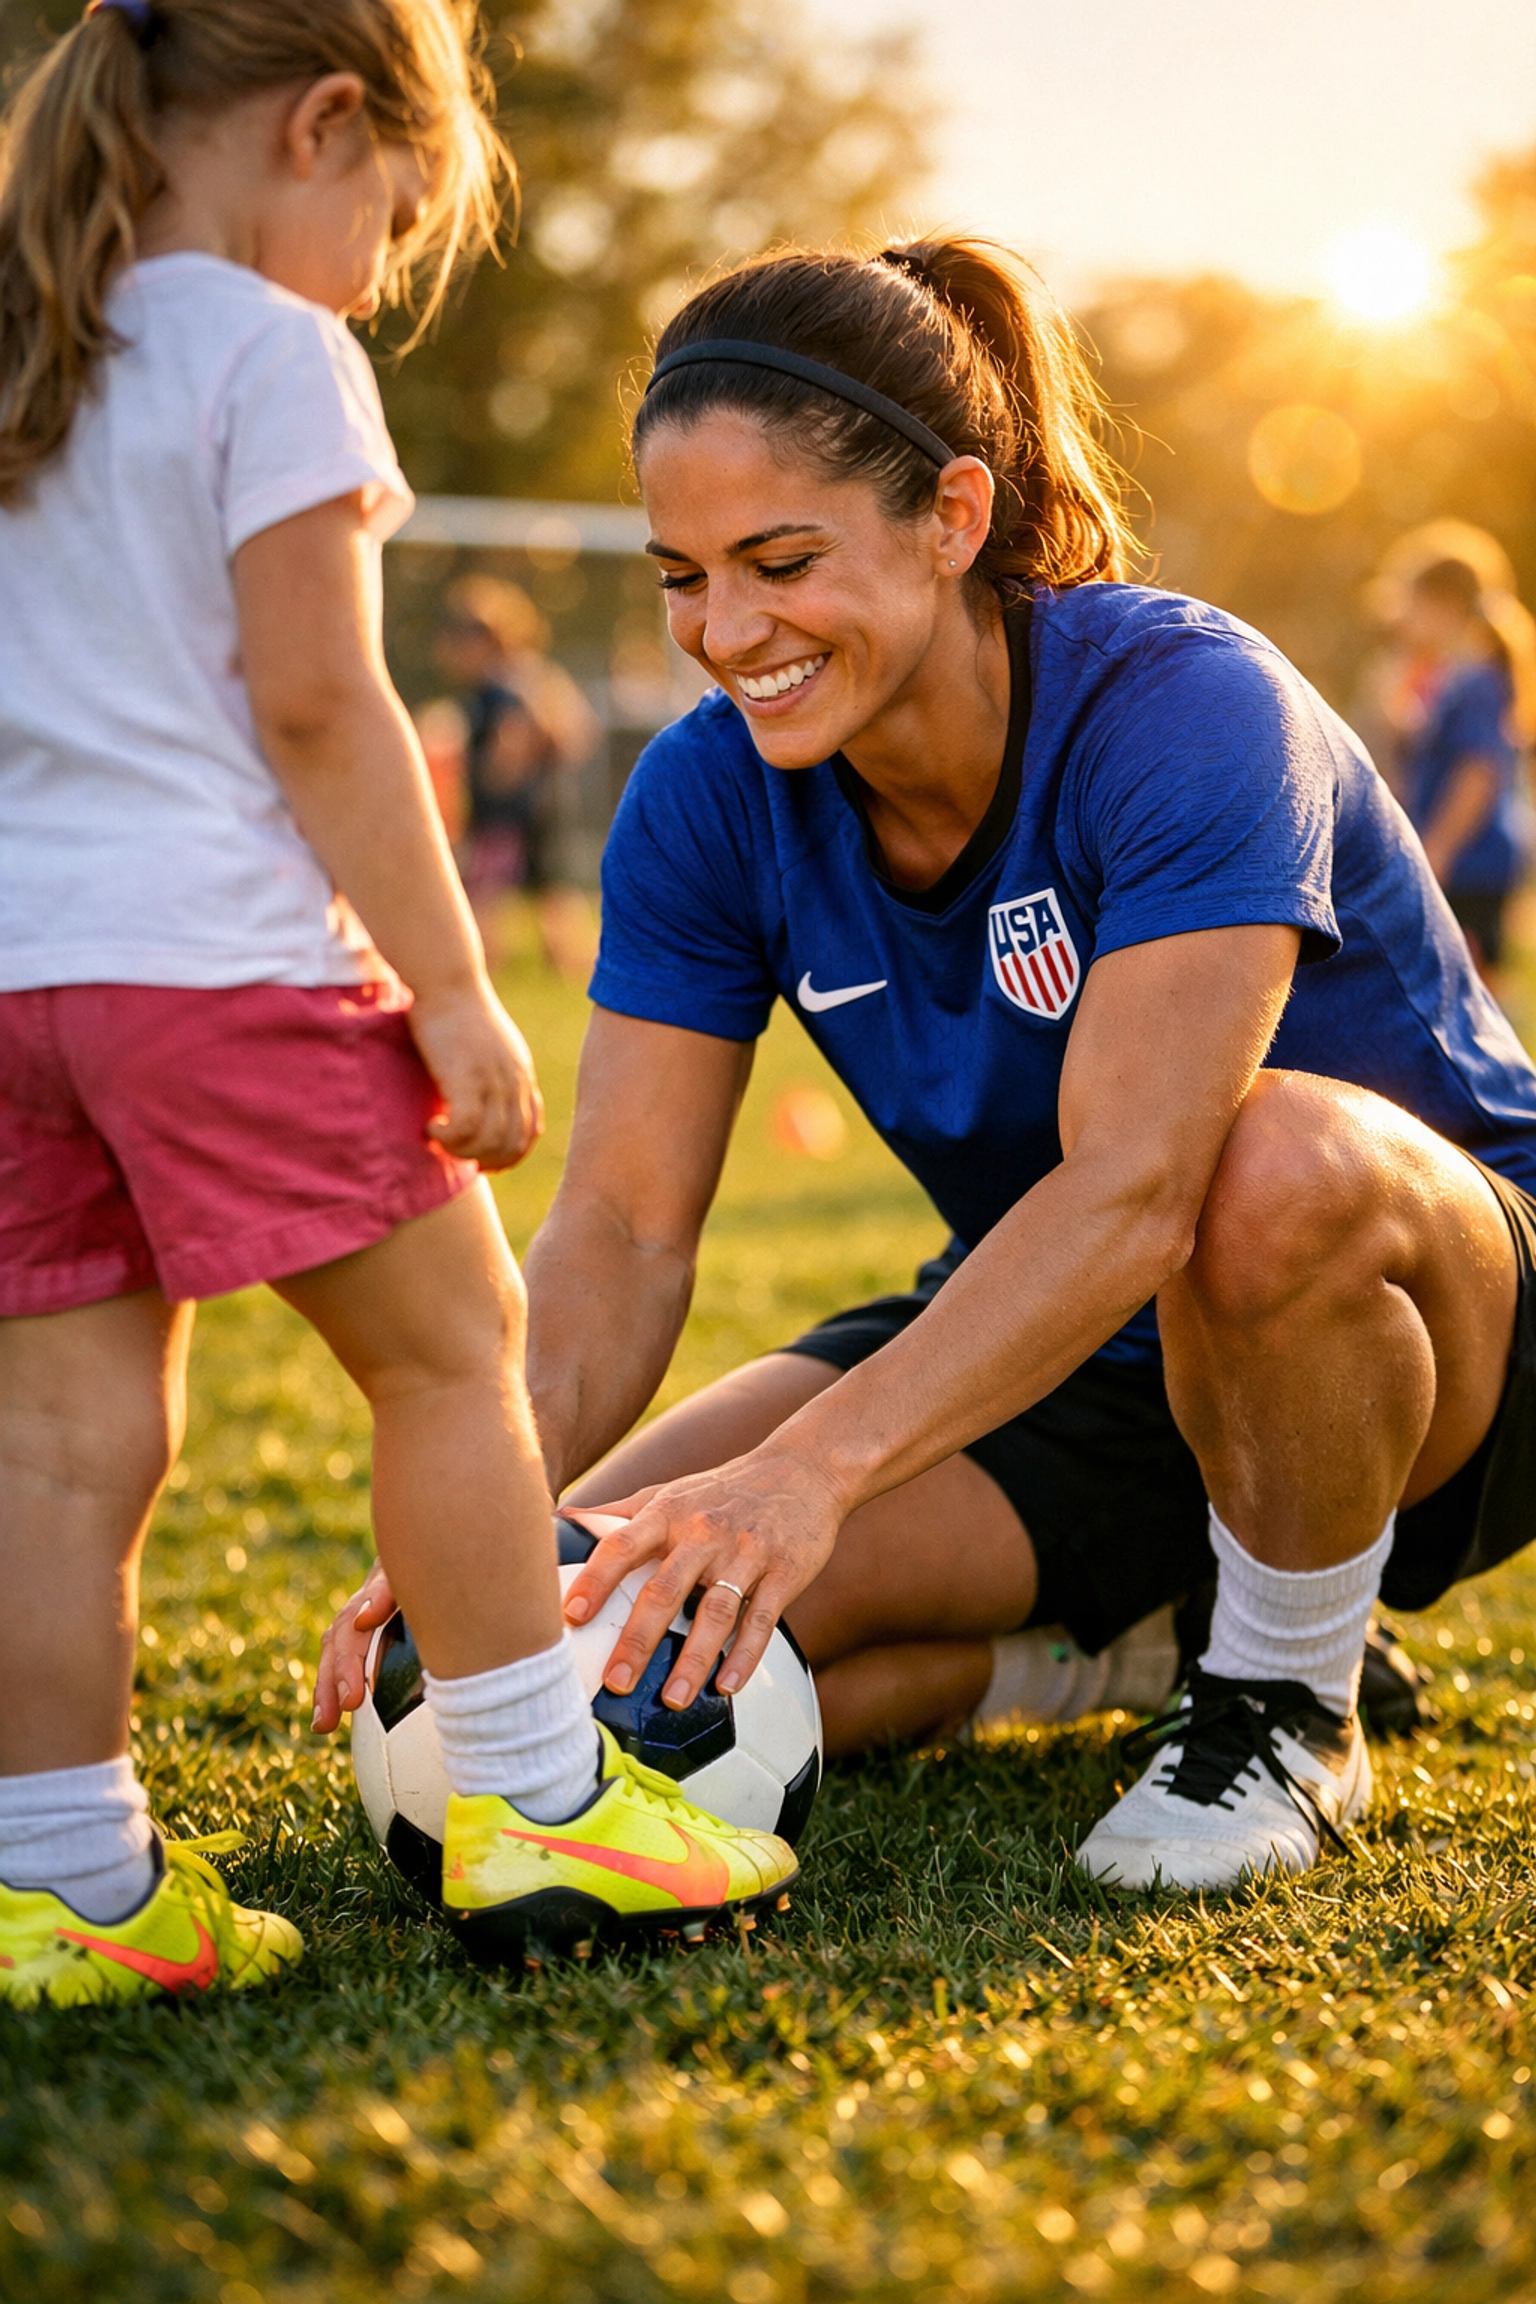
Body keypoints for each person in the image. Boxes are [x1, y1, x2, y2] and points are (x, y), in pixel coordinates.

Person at [320, 235, 1536, 1895]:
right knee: (602, 1632)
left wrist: (807, 1470)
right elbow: (619, 1228)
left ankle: (1283, 1698)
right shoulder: (704, 795)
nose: (725, 628)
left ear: (953, 518)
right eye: (682, 575)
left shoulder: (1184, 703)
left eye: (780, 559)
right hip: (1065, 1335)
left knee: (1273, 1159)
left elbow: (1140, 1185)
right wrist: (488, 1514)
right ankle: (1117, 1650)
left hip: (1421, 1332)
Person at [0, 0, 795, 2006]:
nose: (383, 269)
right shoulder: (275, 355)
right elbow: (320, 701)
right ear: (326, 124)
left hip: (21, 976)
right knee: (455, 1354)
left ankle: (65, 1895)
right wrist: (449, 991)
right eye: (399, 215)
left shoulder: (31, 353)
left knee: (61, 1450)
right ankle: (542, 1802)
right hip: (220, 963)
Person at [433, 575, 600, 977]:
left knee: (484, 889)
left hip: (508, 811)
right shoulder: (534, 676)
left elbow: (516, 736)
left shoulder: (501, 689)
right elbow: (578, 730)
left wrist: (497, 775)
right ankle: (567, 960)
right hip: (545, 805)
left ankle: (481, 959)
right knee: (553, 891)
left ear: (485, 642)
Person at [1391, 556, 1535, 985]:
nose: (1404, 620)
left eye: (1412, 605)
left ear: (1443, 606)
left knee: (1468, 992)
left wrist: (1437, 850)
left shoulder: (1476, 678)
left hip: (1468, 867)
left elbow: (1479, 770)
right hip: (1467, 864)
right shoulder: (1456, 676)